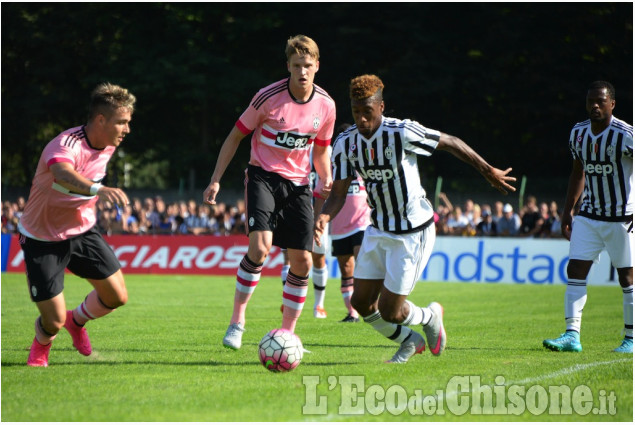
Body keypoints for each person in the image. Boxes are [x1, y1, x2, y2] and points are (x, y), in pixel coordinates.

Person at [314, 75, 516, 363]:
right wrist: (323, 217)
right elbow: (338, 193)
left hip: (412, 232)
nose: (361, 119)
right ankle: (409, 341)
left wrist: (487, 171)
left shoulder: (401, 132)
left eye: (367, 111)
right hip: (378, 228)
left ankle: (430, 315)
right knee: (360, 302)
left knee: (391, 311)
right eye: (356, 112)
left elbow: (450, 142)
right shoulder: (346, 144)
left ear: (381, 107)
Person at [203, 35, 336, 350]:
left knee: (302, 261)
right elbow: (235, 136)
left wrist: (326, 175)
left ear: (317, 66)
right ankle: (237, 322)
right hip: (263, 177)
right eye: (296, 66)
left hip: (300, 185)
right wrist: (215, 179)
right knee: (260, 248)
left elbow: (321, 150)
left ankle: (287, 335)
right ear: (288, 66)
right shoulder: (268, 97)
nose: (302, 72)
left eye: (307, 65)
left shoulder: (326, 105)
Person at [18, 82, 135, 367]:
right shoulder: (65, 144)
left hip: (82, 231)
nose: (127, 129)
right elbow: (61, 173)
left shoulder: (107, 145)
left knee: (117, 296)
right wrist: (98, 189)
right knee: (52, 320)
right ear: (100, 120)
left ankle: (76, 321)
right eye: (122, 122)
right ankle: (42, 343)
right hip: (42, 237)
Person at [543, 81, 633, 354]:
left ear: (612, 104)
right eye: (590, 101)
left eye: (600, 101)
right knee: (575, 271)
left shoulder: (625, 135)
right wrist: (567, 210)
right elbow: (577, 173)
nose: (594, 106)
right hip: (589, 215)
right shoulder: (578, 133)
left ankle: (630, 338)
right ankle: (572, 335)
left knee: (627, 277)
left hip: (621, 217)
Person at [326, 123, 371, 322]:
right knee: (346, 268)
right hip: (338, 225)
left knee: (362, 261)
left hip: (362, 222)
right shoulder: (333, 163)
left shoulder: (366, 159)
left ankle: (371, 304)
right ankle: (352, 312)